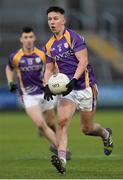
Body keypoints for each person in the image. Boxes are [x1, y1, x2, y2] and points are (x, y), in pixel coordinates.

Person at [44, 6, 113, 174]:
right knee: (62, 122)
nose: (52, 22)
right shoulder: (49, 45)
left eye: (55, 18)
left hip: (85, 86)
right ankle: (61, 160)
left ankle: (105, 134)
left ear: (63, 20)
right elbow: (48, 69)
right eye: (49, 19)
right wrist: (46, 85)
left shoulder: (74, 37)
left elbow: (83, 61)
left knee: (87, 129)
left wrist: (74, 80)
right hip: (67, 90)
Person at [5, 26, 58, 152]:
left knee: (50, 123)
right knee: (41, 123)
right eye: (25, 37)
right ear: (21, 39)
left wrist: (55, 79)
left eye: (30, 37)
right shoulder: (16, 57)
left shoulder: (42, 55)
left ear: (34, 38)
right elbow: (9, 68)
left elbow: (52, 69)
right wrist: (10, 82)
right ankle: (61, 149)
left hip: (45, 92)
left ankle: (53, 141)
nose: (28, 40)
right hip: (28, 95)